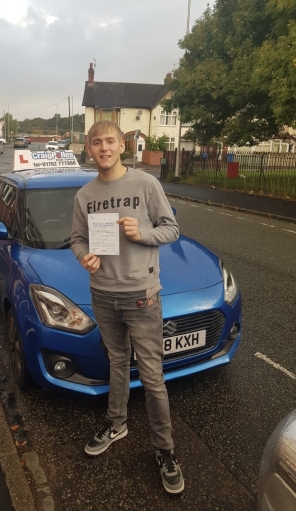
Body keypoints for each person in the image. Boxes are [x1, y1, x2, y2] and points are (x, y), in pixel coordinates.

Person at [71, 120, 184, 494]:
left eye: (110, 142)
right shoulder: (84, 195)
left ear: (122, 145)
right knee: (117, 362)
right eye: (96, 142)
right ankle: (116, 423)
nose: (103, 148)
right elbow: (76, 239)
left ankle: (165, 451)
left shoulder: (145, 184)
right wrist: (85, 255)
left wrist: (143, 233)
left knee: (152, 377)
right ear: (89, 148)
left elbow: (171, 229)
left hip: (142, 295)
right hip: (102, 294)